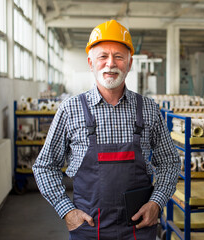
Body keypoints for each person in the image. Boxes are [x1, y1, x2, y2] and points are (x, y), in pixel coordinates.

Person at [33, 20, 180, 239]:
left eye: (119, 57)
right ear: (91, 62)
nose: (110, 64)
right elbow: (44, 166)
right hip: (89, 229)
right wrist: (67, 211)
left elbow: (170, 162)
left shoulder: (148, 109)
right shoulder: (71, 110)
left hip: (139, 228)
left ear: (129, 64)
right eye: (103, 56)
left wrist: (156, 203)